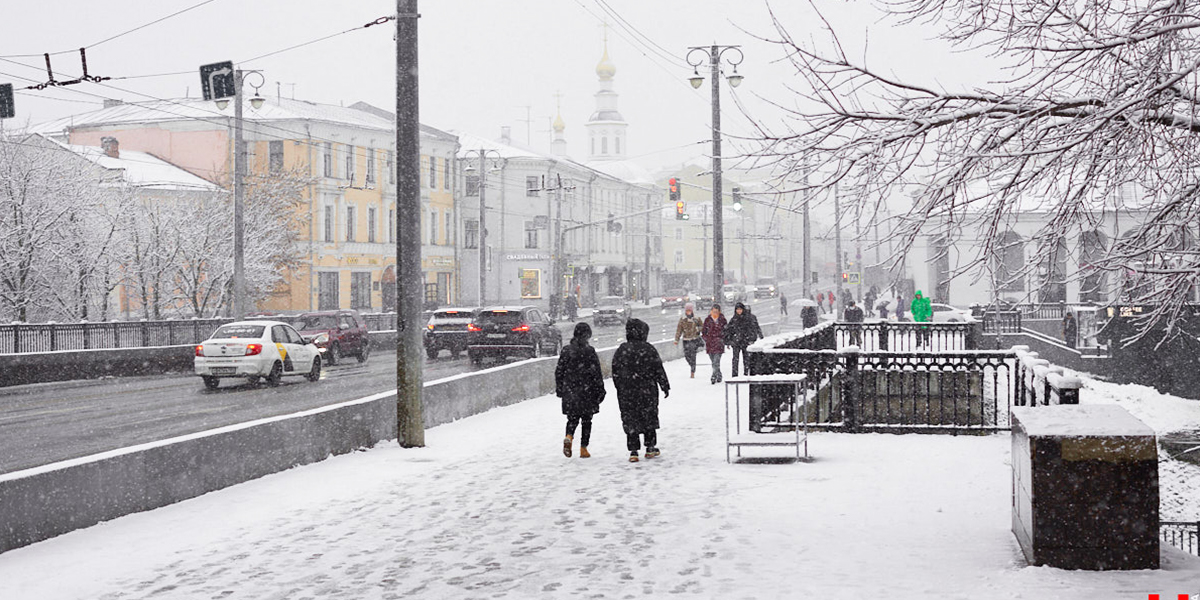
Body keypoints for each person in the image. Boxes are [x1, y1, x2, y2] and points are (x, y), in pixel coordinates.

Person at [612, 318, 670, 463]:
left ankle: (633, 450)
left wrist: (621, 386)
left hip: (627, 392)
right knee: (649, 416)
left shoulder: (622, 350)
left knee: (630, 418)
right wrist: (664, 385)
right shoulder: (648, 349)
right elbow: (658, 369)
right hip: (647, 390)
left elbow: (615, 372)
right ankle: (650, 447)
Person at [555, 322, 605, 459]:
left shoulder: (566, 350)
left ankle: (569, 436)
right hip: (587, 391)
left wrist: (560, 388)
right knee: (587, 420)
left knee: (572, 418)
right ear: (587, 335)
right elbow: (597, 373)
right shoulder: (589, 351)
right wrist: (600, 389)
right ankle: (583, 448)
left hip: (570, 391)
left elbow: (559, 371)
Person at [725, 302, 763, 378]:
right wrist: (728, 341)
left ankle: (746, 373)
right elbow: (729, 330)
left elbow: (752, 329)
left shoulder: (748, 319)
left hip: (745, 341)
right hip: (736, 342)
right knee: (735, 359)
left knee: (746, 358)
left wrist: (752, 338)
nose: (739, 311)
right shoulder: (734, 319)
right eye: (737, 309)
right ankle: (735, 375)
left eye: (740, 309)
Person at [674, 302, 704, 378]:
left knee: (693, 356)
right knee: (687, 356)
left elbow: (703, 327)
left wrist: (698, 329)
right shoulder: (682, 319)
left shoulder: (697, 319)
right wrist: (676, 339)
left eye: (689, 310)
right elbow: (679, 330)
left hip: (694, 339)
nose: (688, 312)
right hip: (686, 340)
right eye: (687, 310)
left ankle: (692, 371)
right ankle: (691, 365)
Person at [701, 304, 728, 384]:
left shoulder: (722, 320)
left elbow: (726, 331)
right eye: (713, 311)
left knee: (716, 361)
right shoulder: (707, 320)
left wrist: (722, 339)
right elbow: (704, 331)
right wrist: (706, 339)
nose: (715, 313)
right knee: (713, 361)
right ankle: (719, 374)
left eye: (716, 311)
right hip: (710, 344)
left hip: (719, 344)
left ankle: (713, 376)